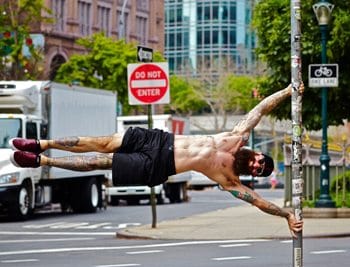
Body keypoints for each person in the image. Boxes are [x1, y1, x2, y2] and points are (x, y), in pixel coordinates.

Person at [10, 84, 303, 237]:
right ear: (258, 154)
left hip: (159, 167)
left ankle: (41, 161)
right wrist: (289, 92)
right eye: (260, 162)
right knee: (103, 141)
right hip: (159, 140)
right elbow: (261, 108)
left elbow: (259, 202)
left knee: (101, 162)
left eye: (259, 171)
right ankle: (40, 143)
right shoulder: (237, 136)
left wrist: (286, 215)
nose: (256, 166)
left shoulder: (230, 181)